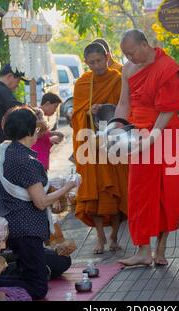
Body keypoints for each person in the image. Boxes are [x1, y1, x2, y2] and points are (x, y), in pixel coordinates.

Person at [115, 29, 179, 266]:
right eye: (125, 55)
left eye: (131, 52)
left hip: (166, 132)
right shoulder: (128, 69)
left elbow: (169, 108)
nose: (129, 58)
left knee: (166, 192)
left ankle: (160, 249)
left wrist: (154, 135)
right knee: (139, 193)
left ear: (144, 44)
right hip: (140, 136)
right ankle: (142, 250)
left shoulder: (167, 67)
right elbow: (123, 102)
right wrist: (117, 127)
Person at [0, 106, 80, 300]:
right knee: (37, 286)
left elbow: (28, 188)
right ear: (31, 130)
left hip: (15, 227)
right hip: (26, 229)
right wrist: (69, 185)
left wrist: (49, 185)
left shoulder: (6, 151)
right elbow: (41, 201)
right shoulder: (26, 160)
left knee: (30, 273)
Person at [71, 43, 128, 254]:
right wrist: (88, 111)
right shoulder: (82, 83)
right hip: (91, 143)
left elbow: (126, 106)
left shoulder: (118, 78)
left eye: (99, 61)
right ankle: (100, 238)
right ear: (86, 62)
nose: (97, 66)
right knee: (92, 193)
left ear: (107, 57)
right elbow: (75, 115)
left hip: (113, 141)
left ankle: (113, 237)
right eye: (92, 62)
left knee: (115, 191)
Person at [0, 64, 26, 159]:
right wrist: (35, 110)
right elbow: (18, 108)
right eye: (18, 81)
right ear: (10, 76)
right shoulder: (2, 91)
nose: (18, 85)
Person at [31, 93, 64, 171]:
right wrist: (55, 133)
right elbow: (36, 133)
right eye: (55, 106)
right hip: (36, 160)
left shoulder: (42, 116)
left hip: (42, 160)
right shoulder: (36, 114)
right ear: (47, 104)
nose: (55, 110)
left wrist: (51, 139)